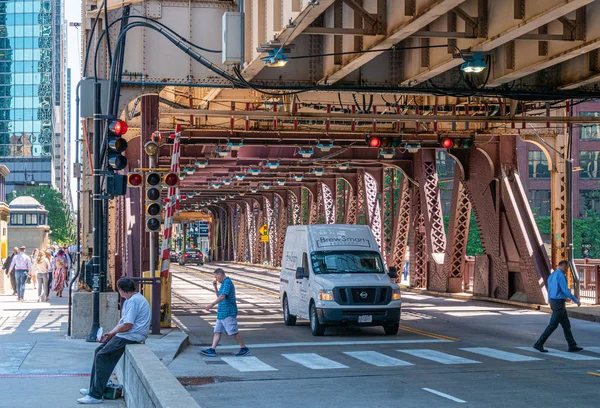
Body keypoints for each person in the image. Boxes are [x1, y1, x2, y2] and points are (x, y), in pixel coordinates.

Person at [77, 277, 151, 404]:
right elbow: (123, 323)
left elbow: (128, 325)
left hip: (131, 336)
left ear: (122, 290)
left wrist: (113, 333)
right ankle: (93, 388)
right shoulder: (132, 299)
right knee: (98, 351)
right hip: (126, 335)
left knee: (102, 357)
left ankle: (95, 395)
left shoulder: (133, 302)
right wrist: (111, 334)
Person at [533, 260, 583, 353]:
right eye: (567, 268)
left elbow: (550, 289)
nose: (566, 270)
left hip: (554, 301)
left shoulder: (552, 275)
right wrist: (576, 300)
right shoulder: (561, 276)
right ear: (563, 266)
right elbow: (565, 290)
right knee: (553, 325)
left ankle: (572, 344)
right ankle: (539, 343)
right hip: (559, 303)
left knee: (566, 325)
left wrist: (549, 301)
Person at [201, 268, 249, 357]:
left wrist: (212, 304)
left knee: (233, 331)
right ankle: (212, 349)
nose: (216, 279)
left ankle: (244, 348)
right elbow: (219, 295)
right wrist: (215, 287)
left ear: (220, 275)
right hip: (222, 313)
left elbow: (222, 296)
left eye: (216, 277)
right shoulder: (223, 283)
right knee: (217, 331)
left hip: (228, 312)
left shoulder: (227, 282)